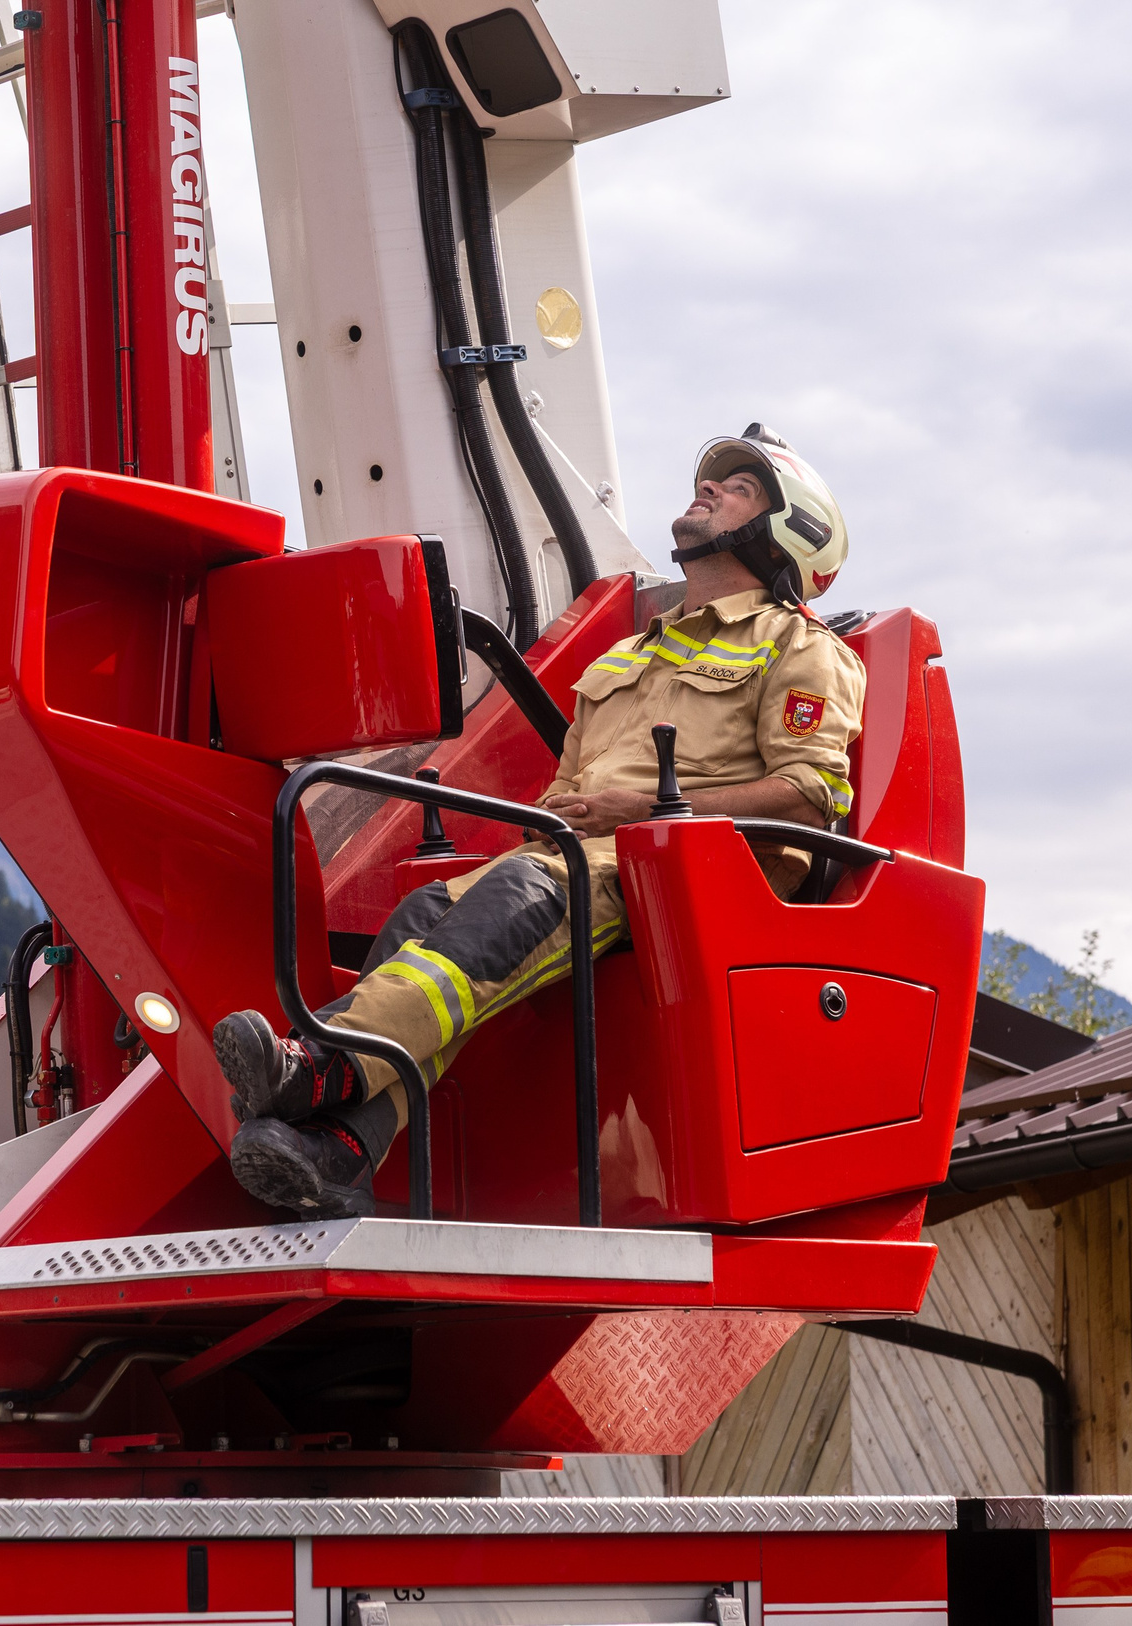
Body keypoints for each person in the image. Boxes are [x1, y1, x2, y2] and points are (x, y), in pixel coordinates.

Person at [215, 423, 866, 1217]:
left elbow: (811, 796)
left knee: (518, 893)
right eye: (716, 480)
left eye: (740, 489)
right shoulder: (623, 660)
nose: (709, 490)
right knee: (429, 911)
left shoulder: (800, 647)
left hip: (691, 879)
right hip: (584, 860)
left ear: (781, 537)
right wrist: (559, 814)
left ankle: (321, 1066)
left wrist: (654, 812)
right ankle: (341, 1149)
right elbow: (569, 789)